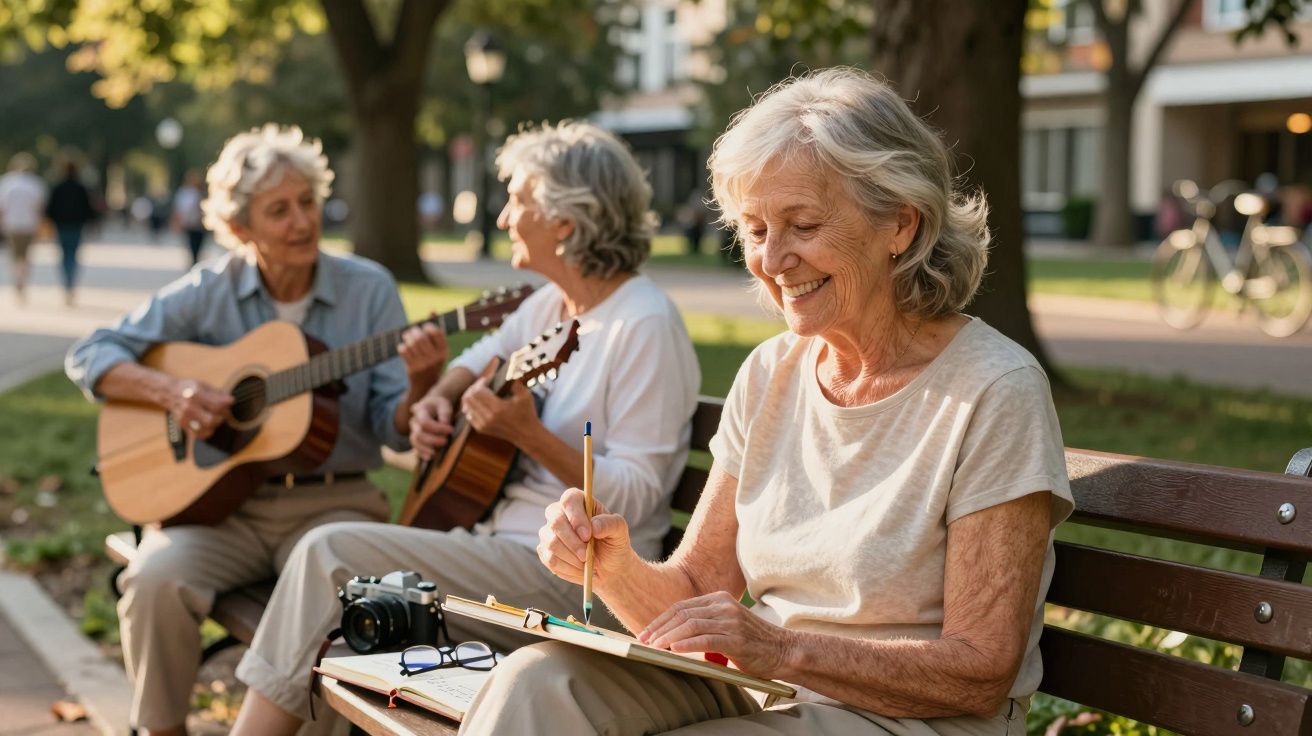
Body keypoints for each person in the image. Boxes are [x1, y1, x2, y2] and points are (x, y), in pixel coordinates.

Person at [465, 68, 1075, 736]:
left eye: (803, 224)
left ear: (900, 223)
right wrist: (610, 569)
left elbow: (981, 668)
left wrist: (784, 650)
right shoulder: (770, 372)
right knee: (536, 685)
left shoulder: (995, 389)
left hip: (908, 721)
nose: (774, 259)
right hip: (769, 691)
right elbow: (698, 588)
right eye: (755, 230)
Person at [228, 120, 701, 736]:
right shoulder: (549, 305)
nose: (504, 218)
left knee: (329, 555)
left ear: (564, 220)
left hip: (578, 580)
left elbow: (639, 499)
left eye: (520, 201)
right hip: (502, 547)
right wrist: (438, 399)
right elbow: (471, 360)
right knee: (341, 616)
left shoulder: (645, 325)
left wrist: (530, 435)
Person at [65, 124, 447, 736]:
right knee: (154, 579)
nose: (302, 222)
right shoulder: (208, 290)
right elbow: (92, 353)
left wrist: (423, 382)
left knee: (338, 602)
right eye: (279, 211)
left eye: (308, 203)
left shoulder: (368, 288)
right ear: (241, 229)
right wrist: (173, 390)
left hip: (334, 505)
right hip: (225, 513)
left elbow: (393, 428)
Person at [45, 159, 99, 305]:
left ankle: (67, 284)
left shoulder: (57, 187)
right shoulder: (81, 188)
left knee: (64, 255)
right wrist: (92, 224)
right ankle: (70, 284)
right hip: (76, 225)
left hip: (62, 225)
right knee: (73, 255)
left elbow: (50, 209)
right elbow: (89, 209)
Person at [0, 152, 47, 304]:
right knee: (25, 255)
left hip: (11, 224)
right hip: (29, 224)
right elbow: (39, 207)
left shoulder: (6, 182)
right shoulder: (36, 183)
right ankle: (23, 279)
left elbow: (2, 207)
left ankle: (17, 279)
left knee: (14, 255)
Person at [172, 169, 209, 265]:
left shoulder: (202, 192)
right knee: (192, 245)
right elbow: (179, 208)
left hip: (200, 224)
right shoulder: (184, 192)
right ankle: (194, 262)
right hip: (189, 224)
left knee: (199, 245)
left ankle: (195, 261)